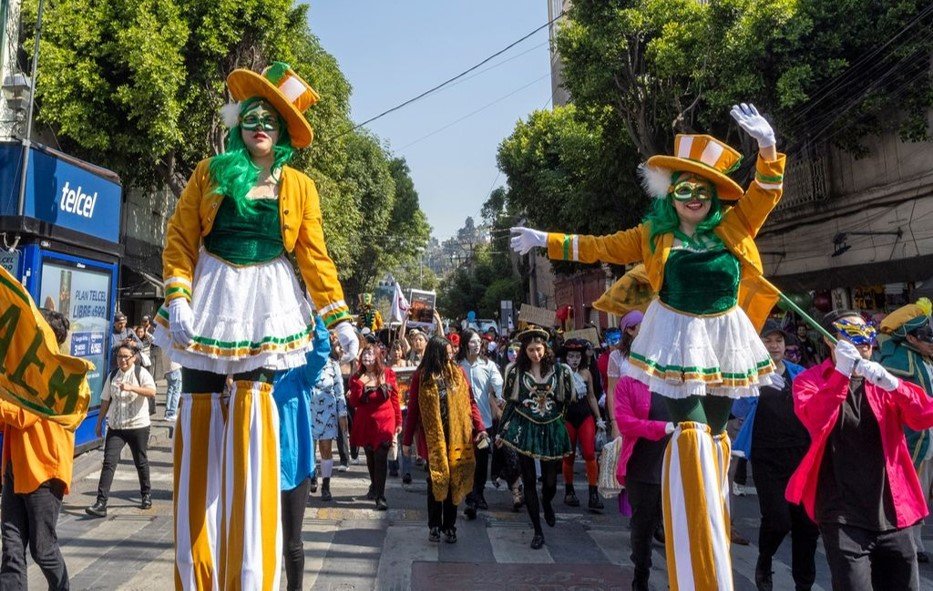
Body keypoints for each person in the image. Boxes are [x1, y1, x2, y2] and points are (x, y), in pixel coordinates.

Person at [511, 103, 785, 585]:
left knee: (714, 443)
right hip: (674, 340)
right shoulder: (652, 236)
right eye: (683, 189)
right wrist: (545, 239)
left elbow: (766, 193)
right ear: (670, 195)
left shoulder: (733, 227)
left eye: (702, 191)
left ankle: (712, 532)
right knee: (691, 439)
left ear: (714, 197)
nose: (693, 198)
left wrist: (767, 148)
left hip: (723, 341)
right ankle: (693, 552)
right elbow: (597, 246)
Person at [152, 61, 358, 588]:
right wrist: (178, 292)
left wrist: (338, 319)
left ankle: (251, 575)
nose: (260, 125)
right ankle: (196, 573)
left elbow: (315, 257)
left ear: (285, 130)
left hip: (268, 300)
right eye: (253, 116)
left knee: (254, 425)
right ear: (239, 122)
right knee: (198, 415)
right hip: (213, 291)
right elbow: (179, 237)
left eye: (272, 118)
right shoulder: (211, 171)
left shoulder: (300, 187)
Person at [786, 310, 933, 591]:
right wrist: (842, 374)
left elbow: (925, 414)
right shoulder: (810, 381)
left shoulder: (880, 376)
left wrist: (895, 385)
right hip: (842, 514)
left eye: (867, 332)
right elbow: (815, 420)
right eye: (852, 333)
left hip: (893, 511)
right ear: (831, 341)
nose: (864, 341)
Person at [733, 320, 818, 591]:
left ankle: (804, 583)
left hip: (801, 456)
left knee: (807, 524)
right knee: (778, 519)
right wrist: (754, 383)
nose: (774, 346)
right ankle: (765, 558)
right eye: (768, 341)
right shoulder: (748, 374)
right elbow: (737, 407)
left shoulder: (800, 373)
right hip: (766, 456)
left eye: (778, 341)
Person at [0, 309, 76, 590]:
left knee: (43, 550)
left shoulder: (56, 372)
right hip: (15, 470)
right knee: (11, 548)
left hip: (43, 472)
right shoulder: (23, 367)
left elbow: (23, 414)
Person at [404, 336, 488, 543]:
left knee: (454, 481)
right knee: (435, 480)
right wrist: (406, 442)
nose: (451, 357)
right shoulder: (421, 376)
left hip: (458, 436)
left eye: (452, 353)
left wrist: (480, 428)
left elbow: (471, 403)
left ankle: (449, 526)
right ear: (436, 354)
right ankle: (434, 525)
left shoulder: (458, 374)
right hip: (433, 440)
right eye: (446, 353)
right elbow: (413, 409)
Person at [496, 326, 572, 549]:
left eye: (538, 349)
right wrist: (501, 431)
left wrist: (558, 423)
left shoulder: (560, 371)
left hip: (549, 429)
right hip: (524, 428)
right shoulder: (516, 371)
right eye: (530, 350)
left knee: (550, 482)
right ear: (524, 351)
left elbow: (564, 401)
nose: (535, 354)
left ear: (545, 348)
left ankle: (547, 502)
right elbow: (511, 403)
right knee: (528, 479)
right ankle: (537, 531)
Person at [272, 316, 330, 591]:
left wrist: (313, 313)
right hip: (261, 468)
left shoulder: (299, 374)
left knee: (292, 542)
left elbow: (321, 350)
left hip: (295, 471)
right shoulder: (254, 380)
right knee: (262, 538)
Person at [877, 299, 933, 563]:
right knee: (913, 492)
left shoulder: (925, 359)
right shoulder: (898, 361)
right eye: (926, 336)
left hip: (928, 438)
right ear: (910, 337)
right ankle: (910, 542)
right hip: (913, 437)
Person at [614, 372, 676, 591]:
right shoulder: (629, 383)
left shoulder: (683, 379)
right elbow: (625, 423)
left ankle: (678, 581)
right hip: (642, 467)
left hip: (676, 466)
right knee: (644, 528)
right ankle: (641, 578)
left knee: (678, 529)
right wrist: (662, 428)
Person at [86, 344, 157, 517]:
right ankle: (101, 503)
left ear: (133, 357)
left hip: (138, 426)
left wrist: (132, 387)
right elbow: (105, 400)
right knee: (109, 462)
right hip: (116, 426)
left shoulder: (141, 373)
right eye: (119, 356)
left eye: (126, 356)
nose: (122, 360)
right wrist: (99, 422)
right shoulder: (112, 376)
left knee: (140, 461)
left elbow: (152, 391)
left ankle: (146, 495)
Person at [457, 329, 504, 519]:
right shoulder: (457, 366)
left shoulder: (489, 365)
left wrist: (500, 397)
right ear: (464, 344)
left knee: (482, 461)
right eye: (472, 341)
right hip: (463, 423)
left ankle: (479, 493)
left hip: (484, 424)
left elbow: (498, 384)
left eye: (478, 341)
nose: (476, 344)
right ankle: (471, 497)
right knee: (469, 461)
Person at [348, 343, 401, 510]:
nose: (367, 359)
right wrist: (358, 385)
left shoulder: (388, 374)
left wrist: (399, 422)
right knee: (370, 457)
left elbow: (395, 399)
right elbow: (355, 401)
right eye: (364, 355)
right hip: (366, 422)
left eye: (371, 355)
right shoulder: (357, 377)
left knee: (381, 457)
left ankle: (380, 495)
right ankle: (374, 486)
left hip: (385, 420)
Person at [559, 338, 605, 513]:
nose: (574, 359)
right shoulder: (560, 373)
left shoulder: (586, 373)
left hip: (585, 416)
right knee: (568, 456)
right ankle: (569, 491)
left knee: (589, 453)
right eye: (571, 356)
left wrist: (599, 418)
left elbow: (592, 396)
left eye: (577, 356)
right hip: (567, 418)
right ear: (566, 358)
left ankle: (593, 493)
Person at [309, 331, 348, 502]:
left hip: (328, 411)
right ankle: (311, 477)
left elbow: (340, 392)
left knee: (325, 449)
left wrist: (342, 414)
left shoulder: (333, 365)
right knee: (309, 449)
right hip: (309, 409)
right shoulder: (305, 361)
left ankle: (326, 484)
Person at [605, 311, 643, 442]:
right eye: (642, 326)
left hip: (649, 416)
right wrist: (614, 423)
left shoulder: (651, 354)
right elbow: (611, 391)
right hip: (626, 417)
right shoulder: (616, 357)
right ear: (630, 330)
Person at [160, 347, 182, 422]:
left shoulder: (164, 341)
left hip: (167, 369)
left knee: (170, 391)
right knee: (176, 391)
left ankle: (168, 413)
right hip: (175, 368)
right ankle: (171, 413)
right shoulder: (172, 340)